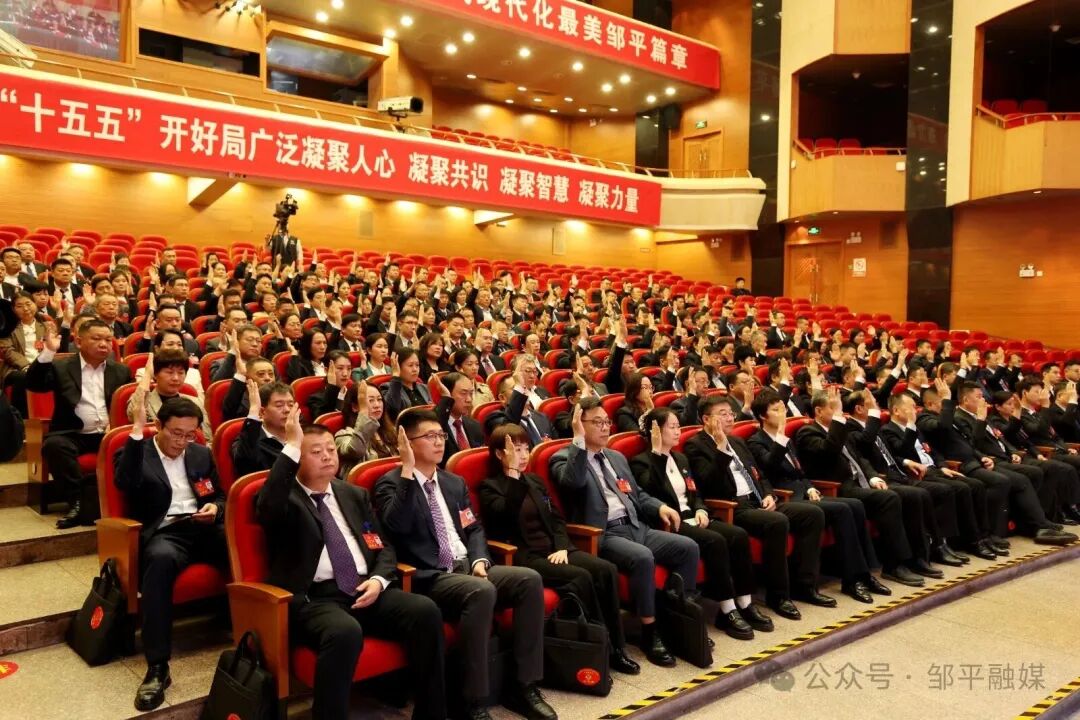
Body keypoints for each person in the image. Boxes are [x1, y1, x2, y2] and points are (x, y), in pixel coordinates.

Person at [257, 404, 445, 720]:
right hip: (316, 599)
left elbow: (383, 547)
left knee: (425, 611)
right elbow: (268, 506)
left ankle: (431, 713)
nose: (327, 456)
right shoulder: (285, 498)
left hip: (364, 588)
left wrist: (379, 580)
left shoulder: (353, 494)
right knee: (344, 631)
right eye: (316, 452)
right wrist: (291, 444)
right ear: (298, 458)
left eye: (331, 449)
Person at [375, 410, 556, 720]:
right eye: (429, 436)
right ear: (407, 442)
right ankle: (470, 700)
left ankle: (522, 685)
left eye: (441, 435)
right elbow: (396, 526)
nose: (439, 442)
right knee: (481, 592)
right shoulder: (392, 483)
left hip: (466, 567)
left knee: (528, 580)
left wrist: (480, 559)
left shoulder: (453, 482)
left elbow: (473, 528)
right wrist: (406, 470)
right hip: (430, 575)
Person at [549, 397, 700, 667]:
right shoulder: (563, 458)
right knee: (643, 557)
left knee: (688, 547)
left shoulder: (616, 457)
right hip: (604, 534)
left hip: (635, 525)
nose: (605, 427)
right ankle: (649, 632)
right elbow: (573, 482)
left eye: (606, 422)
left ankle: (678, 618)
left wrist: (660, 506)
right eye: (597, 422)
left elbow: (637, 494)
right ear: (579, 425)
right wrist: (578, 441)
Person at [479, 425, 640, 674]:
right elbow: (505, 516)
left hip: (556, 550)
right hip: (526, 556)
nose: (523, 456)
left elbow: (556, 519)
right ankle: (602, 647)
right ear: (500, 454)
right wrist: (512, 476)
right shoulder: (490, 487)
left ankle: (618, 647)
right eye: (516, 450)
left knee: (606, 569)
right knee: (581, 576)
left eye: (526, 449)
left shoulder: (535, 480)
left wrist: (563, 546)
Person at [115, 393, 225, 712]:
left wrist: (215, 509)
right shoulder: (135, 452)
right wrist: (137, 432)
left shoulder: (200, 453)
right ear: (158, 425)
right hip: (165, 532)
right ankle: (158, 667)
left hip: (201, 526)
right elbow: (124, 482)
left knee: (242, 545)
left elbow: (219, 496)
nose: (182, 441)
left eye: (190, 435)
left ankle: (261, 639)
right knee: (160, 560)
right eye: (176, 433)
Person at [630, 408, 774, 638]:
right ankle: (727, 610)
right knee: (715, 541)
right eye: (672, 427)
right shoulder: (641, 462)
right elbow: (651, 493)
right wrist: (657, 454)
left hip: (693, 516)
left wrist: (700, 509)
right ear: (655, 431)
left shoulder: (680, 458)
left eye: (678, 426)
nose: (678, 431)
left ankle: (745, 603)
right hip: (670, 522)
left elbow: (695, 492)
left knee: (738, 535)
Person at [685, 395, 832, 618]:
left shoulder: (737, 441)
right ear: (706, 419)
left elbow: (759, 474)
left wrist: (768, 494)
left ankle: (805, 585)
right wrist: (721, 448)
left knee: (812, 514)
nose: (730, 418)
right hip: (733, 506)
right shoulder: (695, 445)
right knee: (777, 522)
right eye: (723, 414)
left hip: (758, 500)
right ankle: (778, 596)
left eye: (731, 413)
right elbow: (709, 483)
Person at [747, 391, 892, 603]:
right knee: (842, 509)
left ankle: (863, 574)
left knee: (854, 505)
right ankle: (850, 580)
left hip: (804, 493)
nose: (783, 413)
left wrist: (809, 487)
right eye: (776, 410)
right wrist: (780, 436)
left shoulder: (786, 440)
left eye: (783, 408)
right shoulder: (755, 442)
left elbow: (800, 472)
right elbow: (769, 467)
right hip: (786, 498)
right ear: (763, 416)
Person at [794, 388, 926, 586]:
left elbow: (859, 458)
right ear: (818, 411)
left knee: (909, 494)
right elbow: (829, 450)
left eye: (839, 408)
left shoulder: (840, 429)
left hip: (861, 481)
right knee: (889, 498)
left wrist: (873, 477)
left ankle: (917, 557)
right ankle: (893, 565)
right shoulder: (807, 432)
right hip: (839, 486)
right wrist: (838, 418)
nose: (839, 413)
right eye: (833, 408)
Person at [26, 318, 131, 528]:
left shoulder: (120, 371)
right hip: (73, 433)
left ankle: (126, 504)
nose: (104, 344)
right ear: (79, 342)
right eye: (97, 339)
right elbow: (35, 384)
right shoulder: (62, 367)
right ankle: (77, 502)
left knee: (137, 444)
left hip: (108, 433)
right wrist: (48, 351)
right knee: (54, 446)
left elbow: (126, 406)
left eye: (108, 339)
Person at [842, 390, 957, 573]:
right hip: (882, 477)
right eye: (872, 403)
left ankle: (933, 548)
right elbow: (865, 445)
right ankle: (912, 558)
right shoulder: (851, 429)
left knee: (929, 492)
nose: (877, 406)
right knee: (917, 494)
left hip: (898, 472)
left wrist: (905, 461)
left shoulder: (873, 427)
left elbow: (891, 453)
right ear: (859, 408)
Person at [883, 389, 1000, 561]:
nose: (915, 410)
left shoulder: (915, 428)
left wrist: (943, 465)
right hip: (918, 473)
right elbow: (902, 452)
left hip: (934, 468)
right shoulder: (888, 430)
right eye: (911, 407)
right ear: (896, 410)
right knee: (954, 488)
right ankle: (951, 543)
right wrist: (910, 426)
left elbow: (932, 450)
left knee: (975, 485)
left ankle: (982, 536)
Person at [127, 350, 211, 442]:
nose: (176, 378)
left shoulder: (196, 402)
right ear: (155, 374)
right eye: (169, 372)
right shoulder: (144, 401)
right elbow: (132, 415)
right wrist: (147, 374)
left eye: (180, 373)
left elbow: (206, 439)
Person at [232, 381, 294, 477]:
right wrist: (254, 411)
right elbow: (244, 463)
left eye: (291, 405)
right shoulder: (249, 441)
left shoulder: (304, 436)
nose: (287, 410)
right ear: (262, 412)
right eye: (279, 405)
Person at [434, 371, 483, 465]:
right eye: (463, 393)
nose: (469, 399)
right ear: (448, 394)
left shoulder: (475, 426)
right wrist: (446, 399)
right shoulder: (434, 424)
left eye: (471, 393)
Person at [381, 349, 433, 422]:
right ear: (398, 367)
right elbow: (393, 411)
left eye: (417, 365)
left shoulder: (424, 387)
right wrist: (396, 375)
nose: (415, 369)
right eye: (410, 365)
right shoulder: (387, 388)